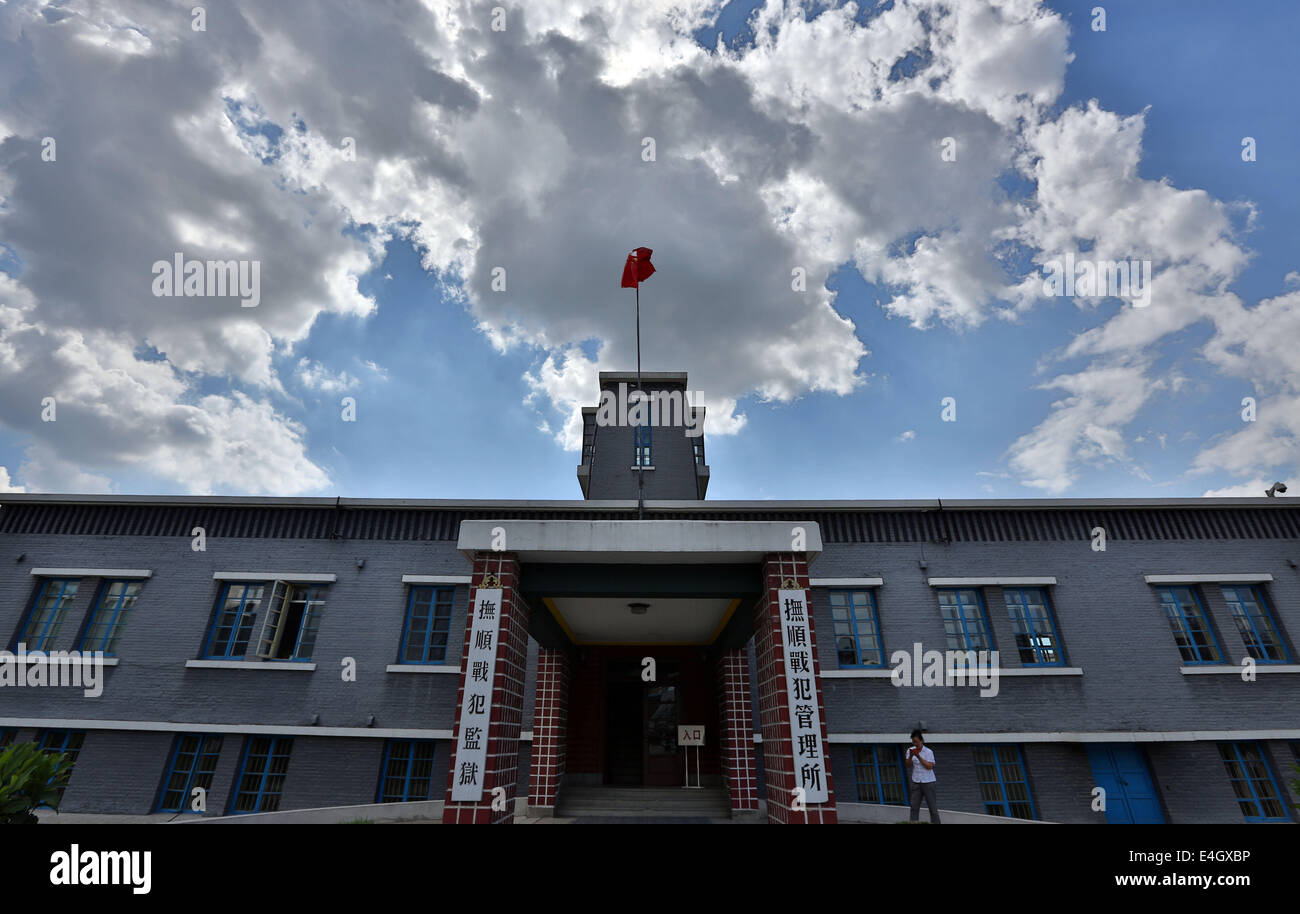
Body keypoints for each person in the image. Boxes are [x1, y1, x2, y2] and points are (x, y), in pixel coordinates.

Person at [905, 729, 940, 823]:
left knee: (932, 807)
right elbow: (908, 764)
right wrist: (911, 756)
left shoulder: (928, 752)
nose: (915, 743)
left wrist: (919, 756)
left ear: (921, 741)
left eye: (916, 741)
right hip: (916, 781)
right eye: (913, 741)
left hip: (928, 782)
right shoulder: (910, 750)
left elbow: (930, 766)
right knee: (914, 806)